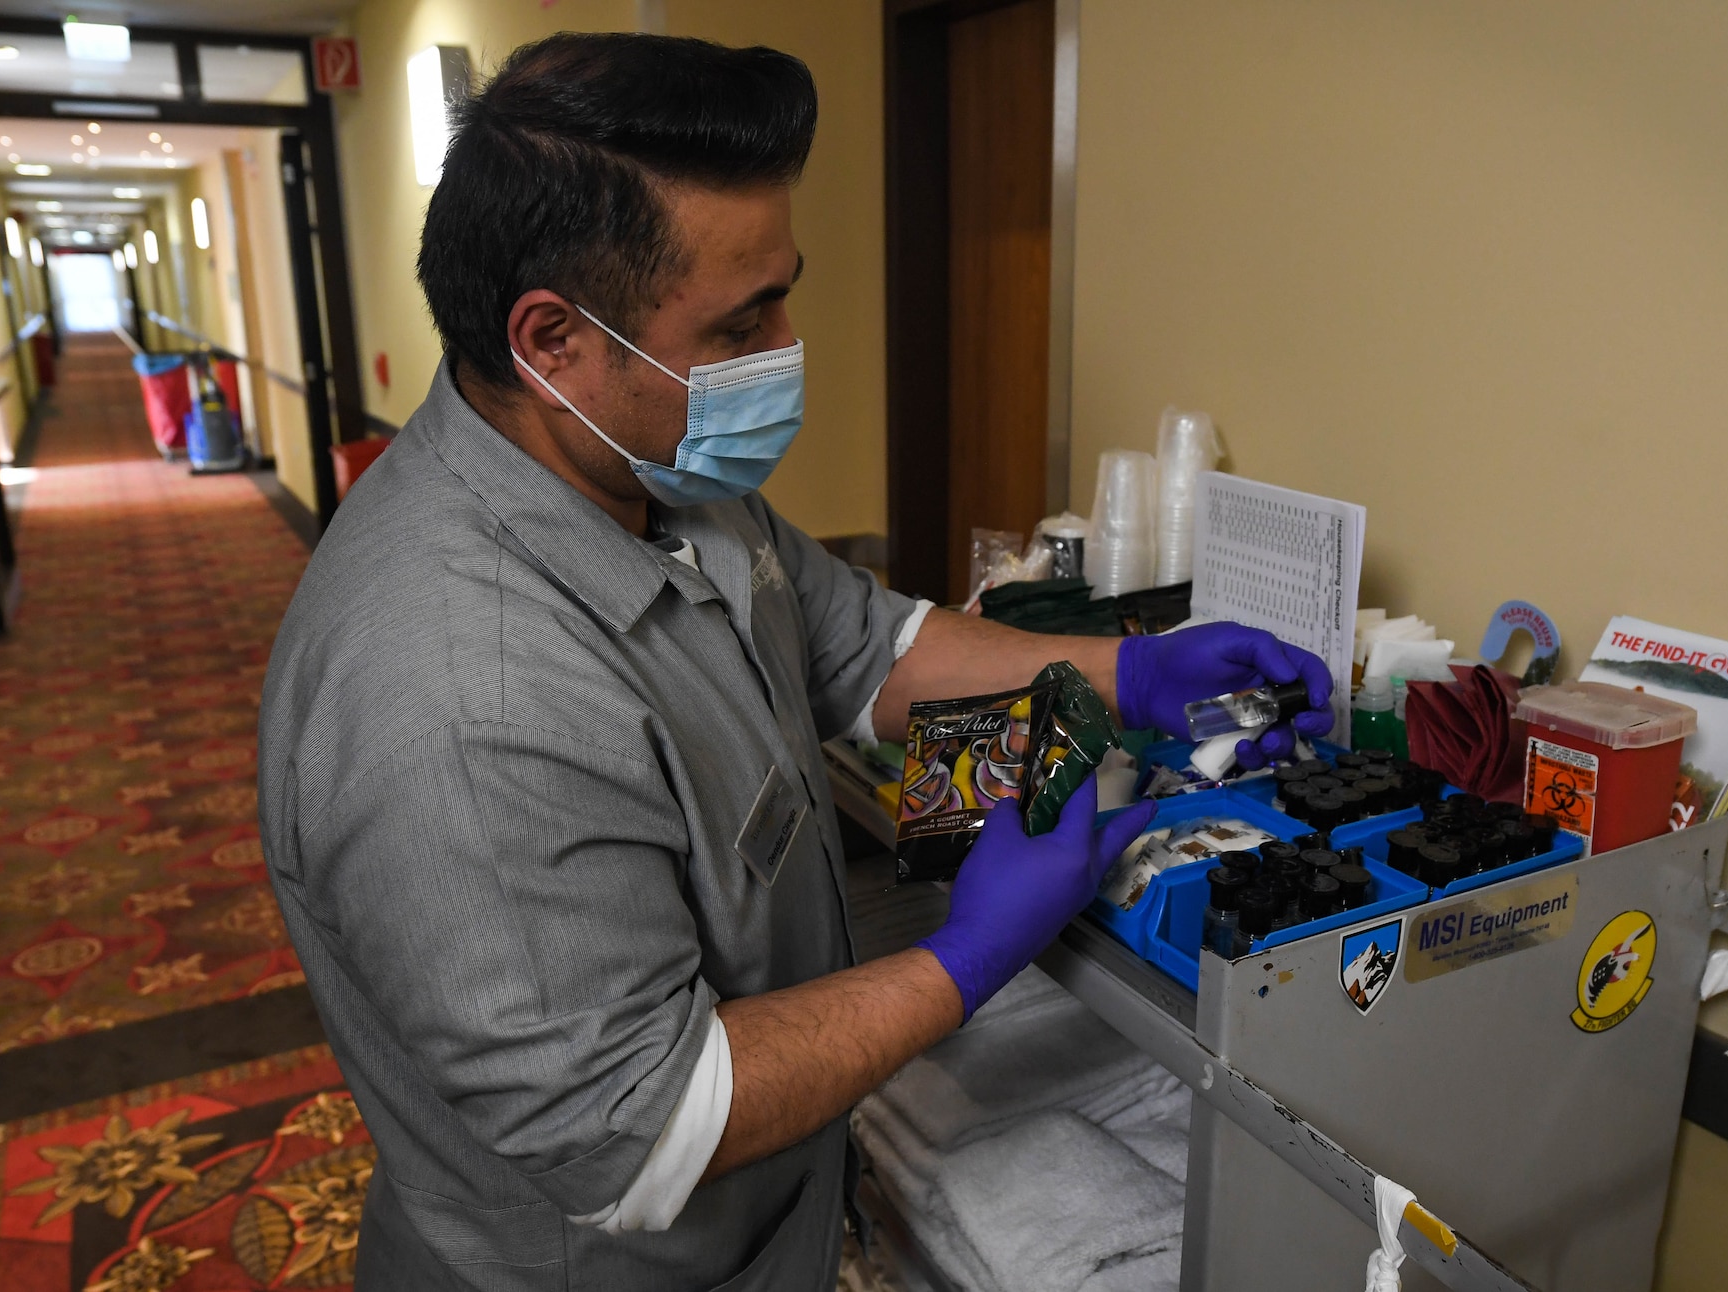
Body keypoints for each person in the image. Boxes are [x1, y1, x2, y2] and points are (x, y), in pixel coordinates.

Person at [257, 31, 1331, 1291]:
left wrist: (1125, 672)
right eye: (740, 318)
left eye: (783, 289)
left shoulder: (656, 478)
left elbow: (864, 644)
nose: (784, 343)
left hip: (775, 1228)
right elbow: (644, 1127)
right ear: (552, 341)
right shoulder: (456, 696)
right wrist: (963, 954)